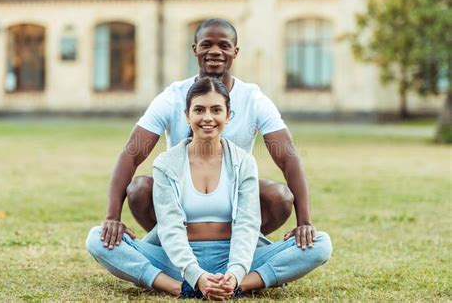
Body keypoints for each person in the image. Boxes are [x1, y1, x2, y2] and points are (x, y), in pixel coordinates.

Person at [86, 77, 332, 299]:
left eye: (216, 110)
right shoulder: (166, 164)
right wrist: (195, 275)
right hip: (177, 260)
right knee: (97, 239)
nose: (207, 118)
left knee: (320, 244)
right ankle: (178, 287)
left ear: (228, 116)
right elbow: (170, 228)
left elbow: (247, 225)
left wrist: (235, 275)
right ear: (186, 115)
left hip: (233, 255)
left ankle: (241, 286)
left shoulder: (244, 162)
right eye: (199, 110)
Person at [100, 17, 319, 256]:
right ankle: (174, 249)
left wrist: (304, 222)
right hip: (179, 198)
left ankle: (234, 247)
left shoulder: (253, 99)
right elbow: (131, 155)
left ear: (235, 51)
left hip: (233, 201)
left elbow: (288, 159)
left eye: (224, 45)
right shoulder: (173, 96)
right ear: (195, 49)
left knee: (280, 197)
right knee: (139, 189)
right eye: (206, 44)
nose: (215, 51)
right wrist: (112, 217)